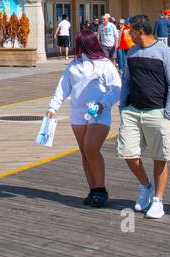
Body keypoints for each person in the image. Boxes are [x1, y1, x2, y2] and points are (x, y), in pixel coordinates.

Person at [47, 30, 122, 208]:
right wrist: (53, 107)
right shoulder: (73, 65)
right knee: (84, 152)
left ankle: (101, 189)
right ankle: (93, 188)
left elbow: (117, 88)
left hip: (99, 112)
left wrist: (103, 104)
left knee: (91, 149)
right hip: (78, 112)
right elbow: (63, 88)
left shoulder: (105, 65)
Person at [117, 15, 170, 220]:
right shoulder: (132, 52)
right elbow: (126, 79)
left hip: (157, 111)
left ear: (140, 31)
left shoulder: (165, 52)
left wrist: (168, 111)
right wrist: (123, 105)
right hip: (132, 111)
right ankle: (146, 185)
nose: (128, 34)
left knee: (160, 156)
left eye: (131, 30)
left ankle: (158, 201)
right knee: (127, 152)